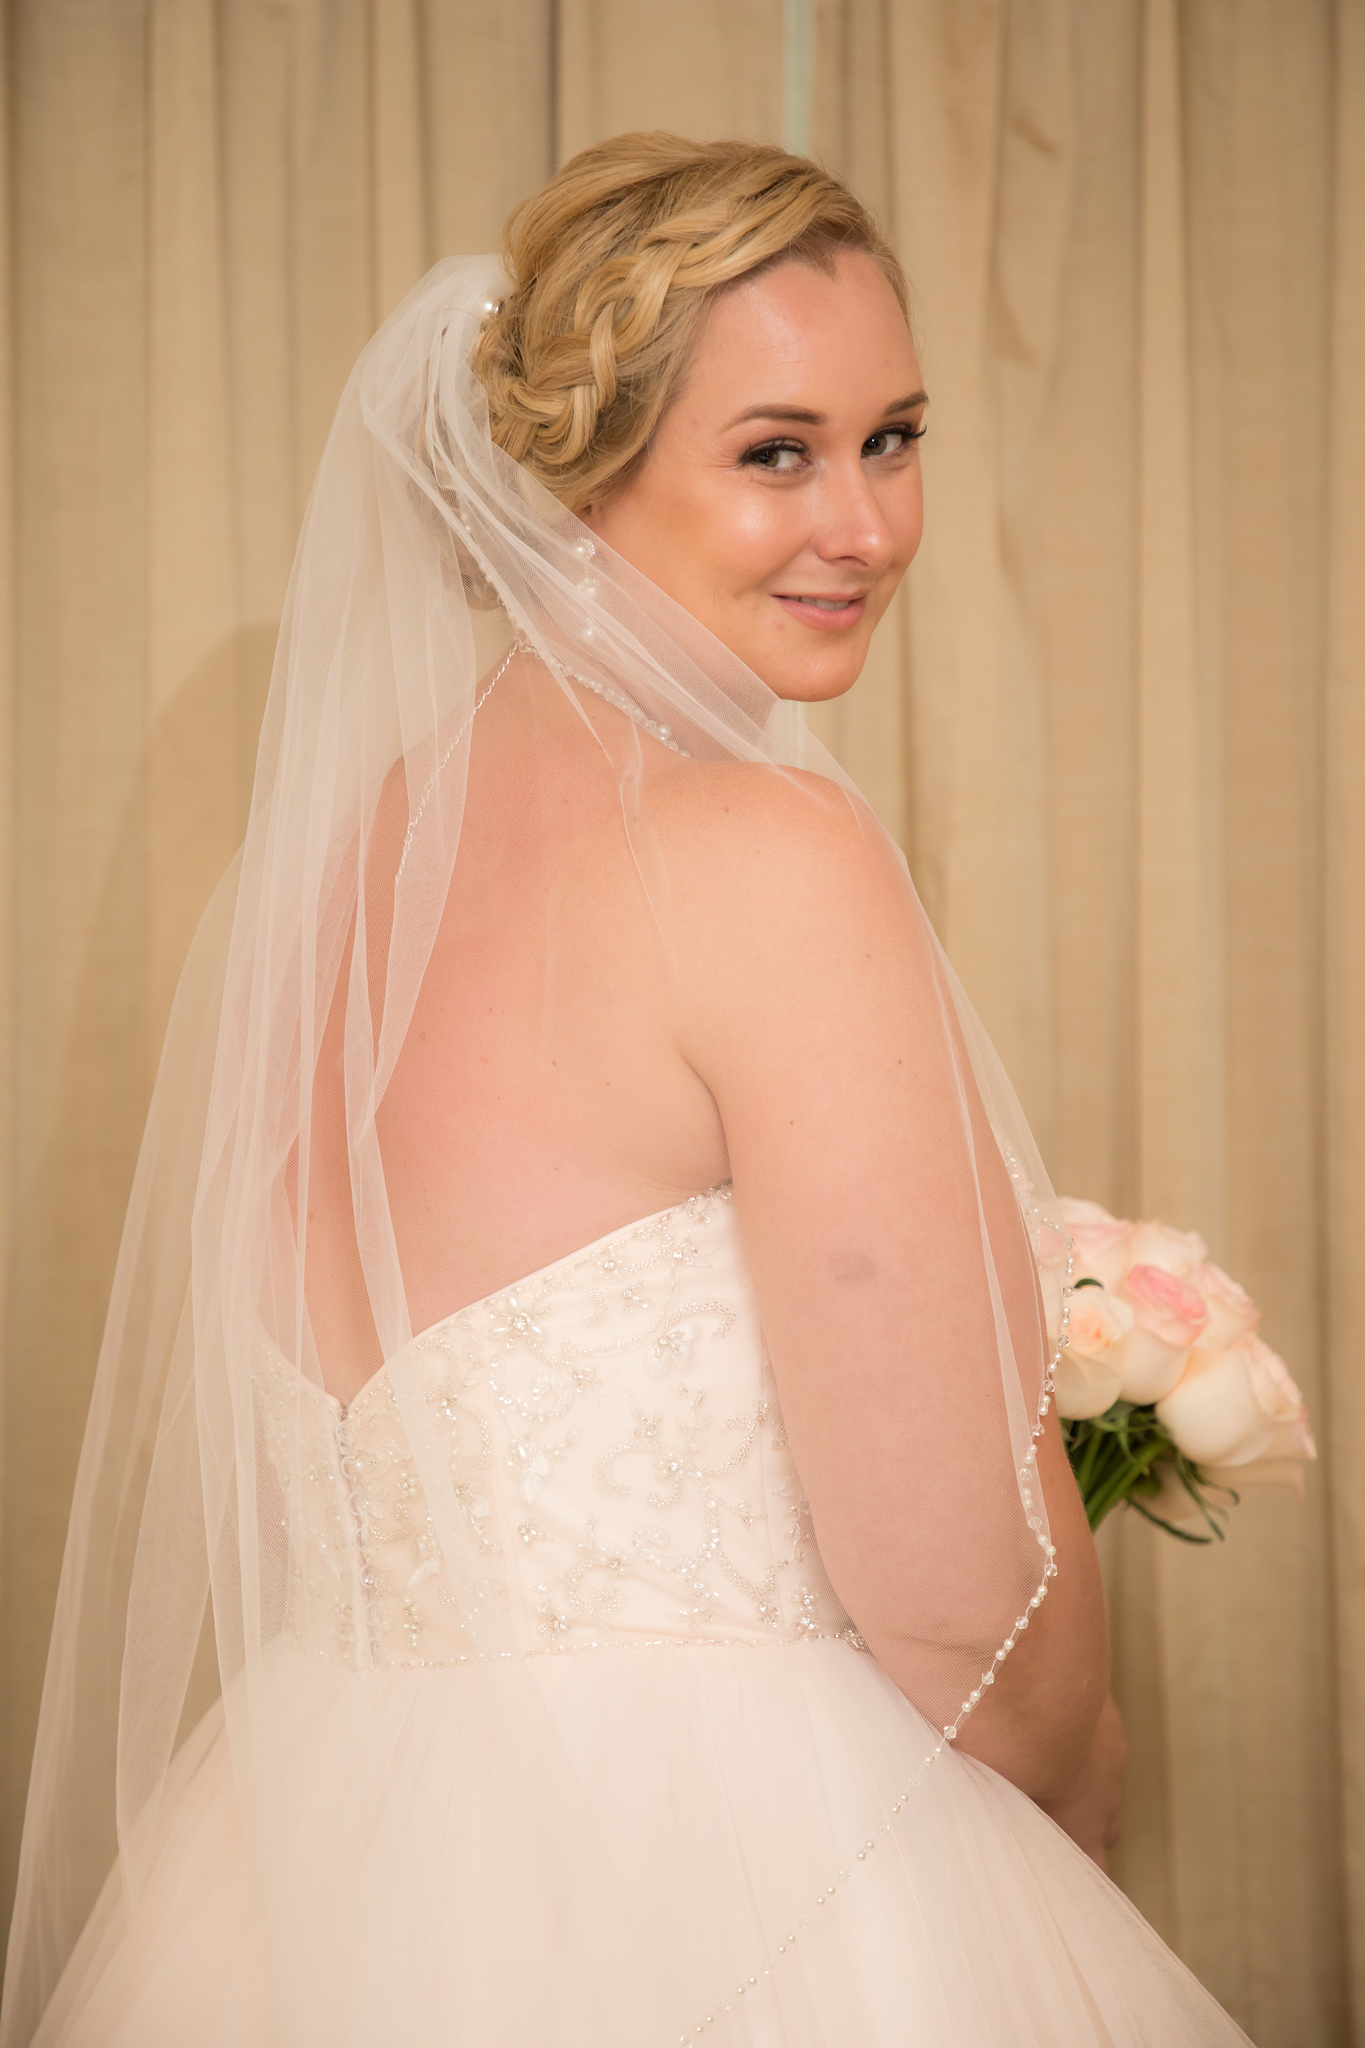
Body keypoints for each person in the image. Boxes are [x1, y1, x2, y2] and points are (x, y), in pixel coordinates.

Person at [1, 134, 1248, 2046]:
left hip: (314, 1859)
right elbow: (957, 1600)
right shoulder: (766, 859)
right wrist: (1073, 1798)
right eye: (775, 453)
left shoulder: (335, 870)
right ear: (579, 472)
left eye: (892, 438)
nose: (865, 525)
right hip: (743, 1872)